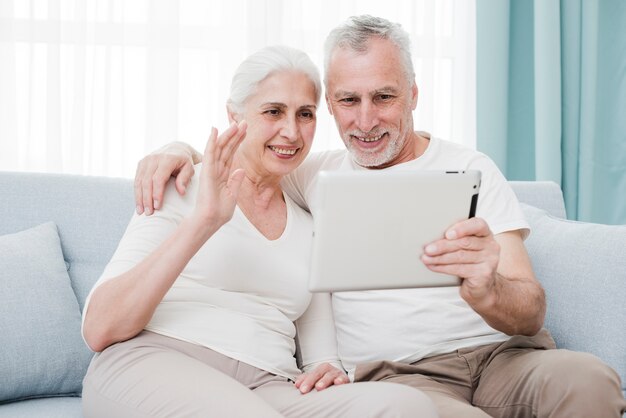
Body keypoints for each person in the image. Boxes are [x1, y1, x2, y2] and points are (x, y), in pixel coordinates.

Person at [133, 16, 626, 418]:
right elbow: (249, 158)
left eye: (384, 97)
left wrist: (489, 289)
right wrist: (176, 150)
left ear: (413, 94)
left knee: (590, 382)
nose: (365, 121)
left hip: (505, 358)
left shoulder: (472, 169)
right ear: (329, 106)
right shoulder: (312, 174)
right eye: (349, 100)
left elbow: (531, 309)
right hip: (399, 375)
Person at [81, 45, 438, 418]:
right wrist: (204, 221)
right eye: (273, 112)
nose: (292, 132)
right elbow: (100, 328)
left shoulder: (309, 218)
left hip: (268, 386)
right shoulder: (181, 185)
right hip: (156, 361)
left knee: (407, 406)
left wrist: (326, 371)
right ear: (235, 115)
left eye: (305, 114)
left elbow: (319, 360)